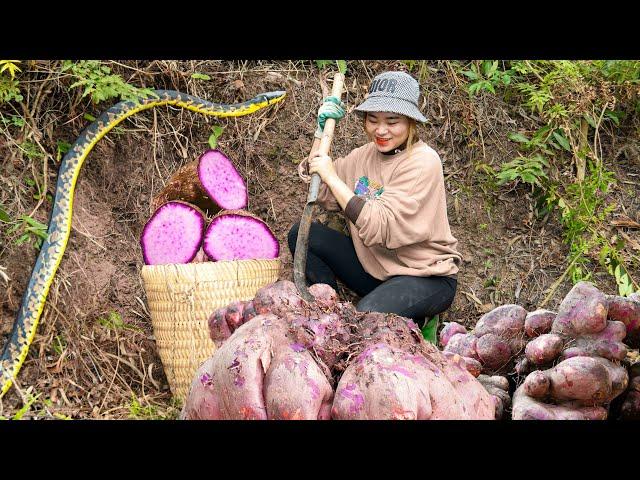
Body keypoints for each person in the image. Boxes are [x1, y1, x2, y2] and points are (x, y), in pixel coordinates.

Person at [288, 71, 462, 327]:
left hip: (424, 277)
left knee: (364, 318)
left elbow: (380, 226)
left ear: (411, 122)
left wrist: (333, 177)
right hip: (376, 269)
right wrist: (319, 134)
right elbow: (321, 190)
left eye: (392, 121)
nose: (381, 130)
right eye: (373, 119)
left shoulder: (423, 162)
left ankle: (415, 318)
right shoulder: (363, 155)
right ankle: (327, 313)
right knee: (302, 235)